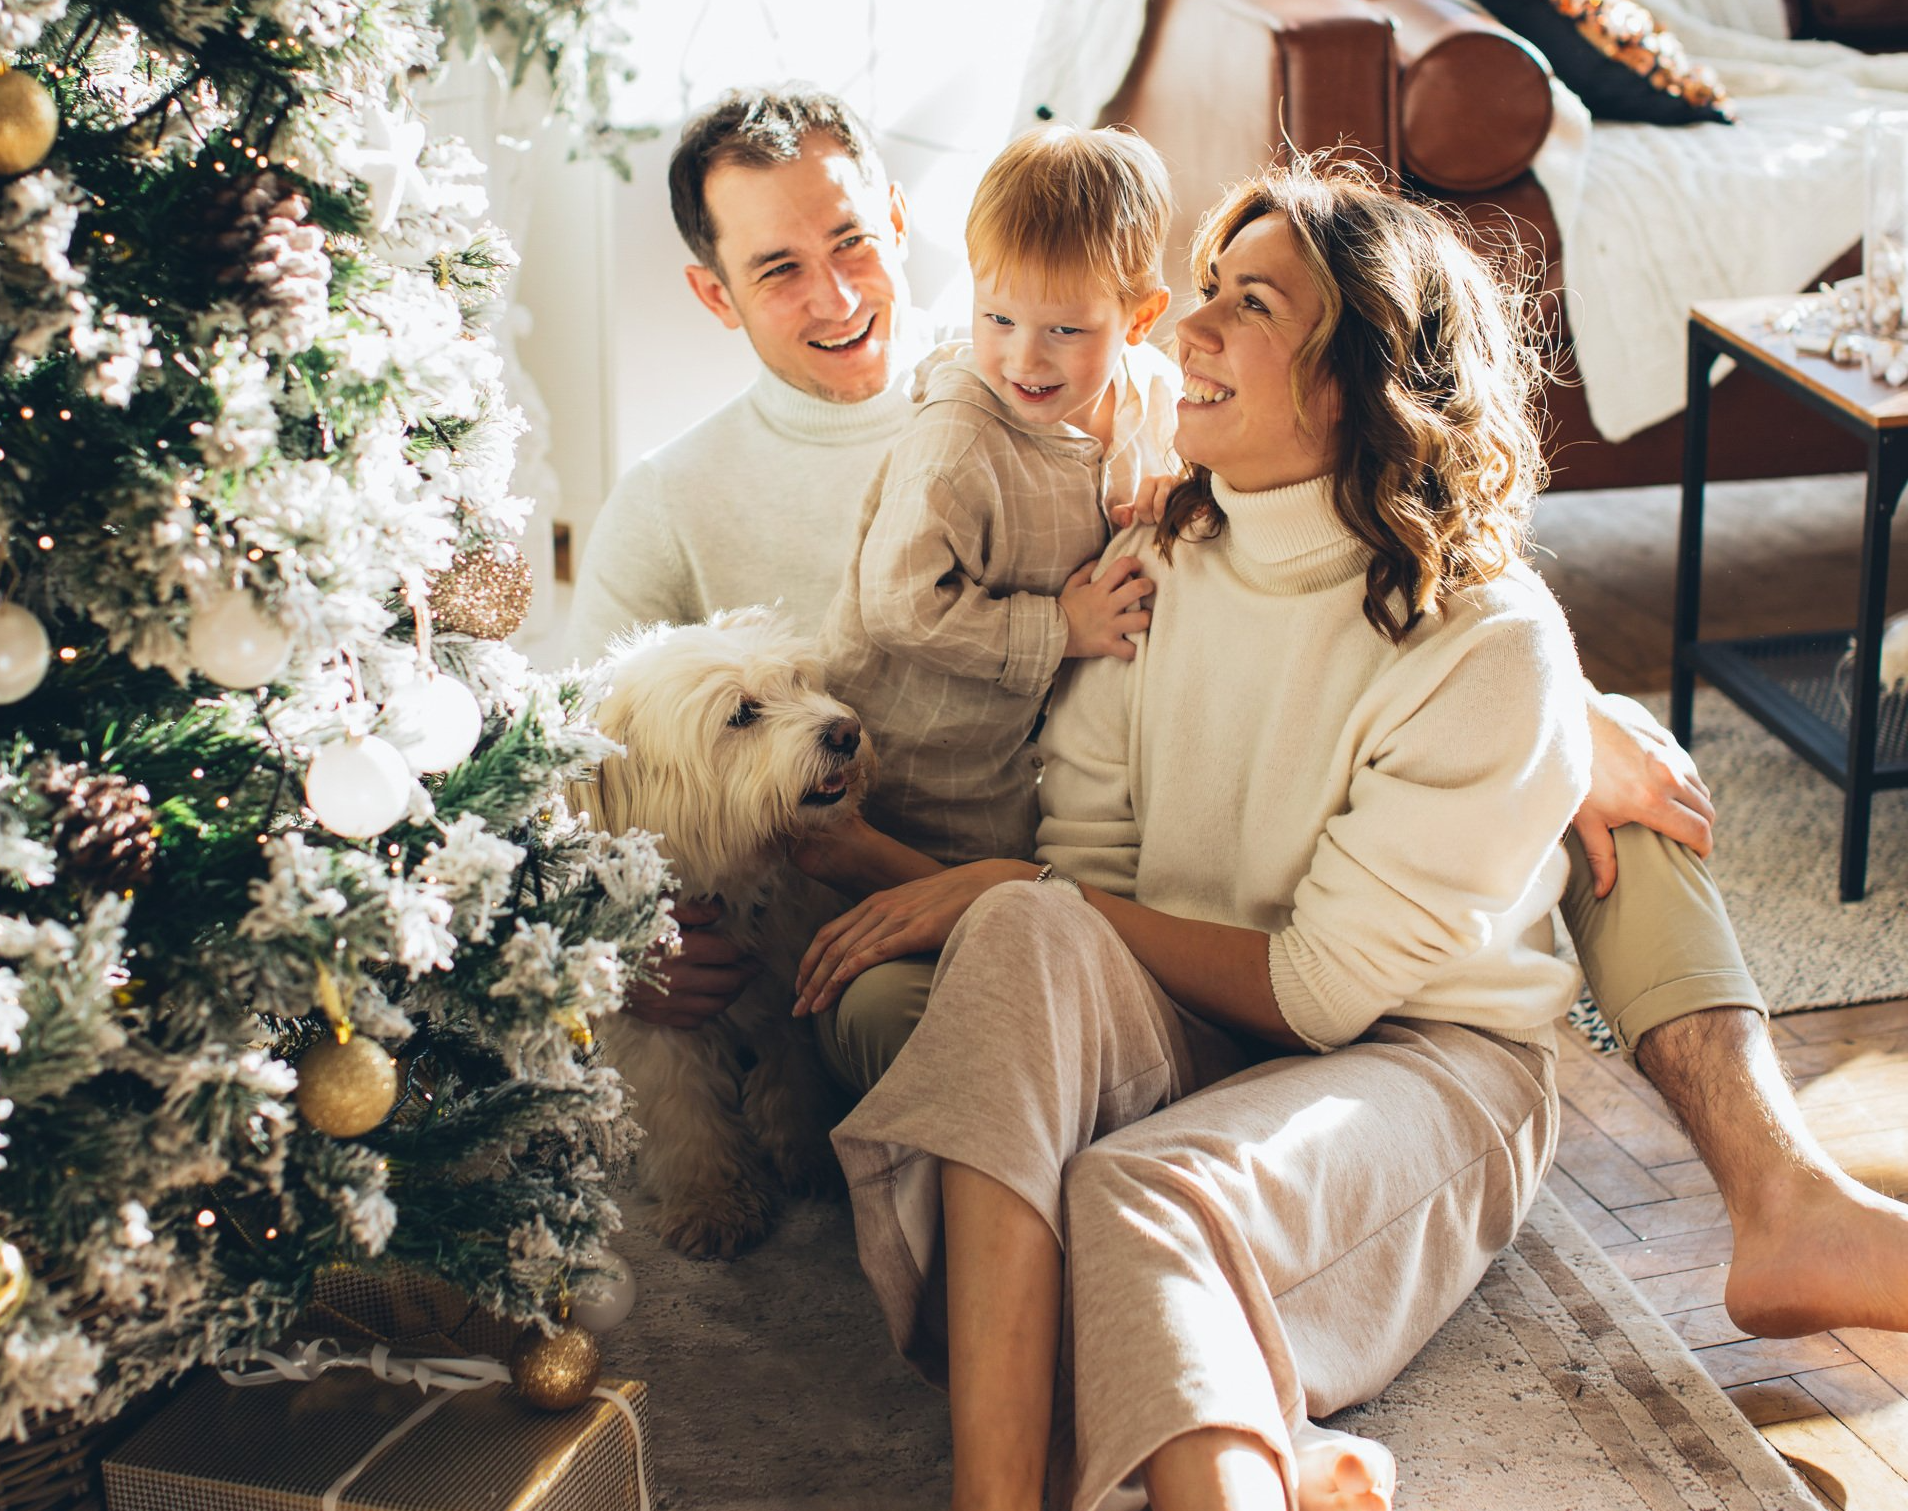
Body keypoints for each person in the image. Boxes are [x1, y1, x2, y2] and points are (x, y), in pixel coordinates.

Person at [568, 86, 1908, 1349]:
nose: (837, 290)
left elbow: (1341, 505)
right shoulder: (667, 504)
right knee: (899, 1010)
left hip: (1137, 812)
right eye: (779, 268)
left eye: (852, 240)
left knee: (1614, 766)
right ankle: (1171, 1231)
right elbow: (574, 789)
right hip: (945, 880)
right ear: (712, 290)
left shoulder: (1039, 349)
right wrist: (614, 947)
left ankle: (1781, 1191)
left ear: (908, 233)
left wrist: (1555, 697)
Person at [801, 160, 1595, 1508]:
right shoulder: (1157, 564)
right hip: (1198, 1020)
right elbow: (1091, 880)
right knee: (1026, 926)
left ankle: (1231, 1450)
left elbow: (1321, 991)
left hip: (1427, 1059)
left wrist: (1022, 885)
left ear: (1350, 374)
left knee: (1137, 1194)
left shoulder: (1491, 643)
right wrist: (1022, 892)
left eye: (1247, 306)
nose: (1188, 332)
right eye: (1205, 294)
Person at [818, 125, 1178, 865]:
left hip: (1037, 761)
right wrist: (1060, 629)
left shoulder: (1159, 397)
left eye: (1066, 329)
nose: (1024, 357)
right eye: (999, 318)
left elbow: (1199, 472)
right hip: (918, 770)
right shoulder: (957, 435)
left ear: (1139, 319)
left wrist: (1182, 490)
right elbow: (898, 602)